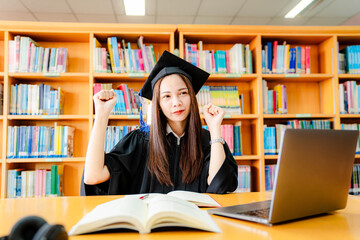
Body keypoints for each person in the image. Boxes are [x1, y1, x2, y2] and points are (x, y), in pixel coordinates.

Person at [83, 50, 238, 195]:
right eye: (167, 96)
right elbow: (93, 176)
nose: (176, 102)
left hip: (195, 223)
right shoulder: (141, 141)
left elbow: (219, 186)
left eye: (183, 93)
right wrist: (102, 115)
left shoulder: (208, 141)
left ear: (192, 97)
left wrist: (215, 129)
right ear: (158, 104)